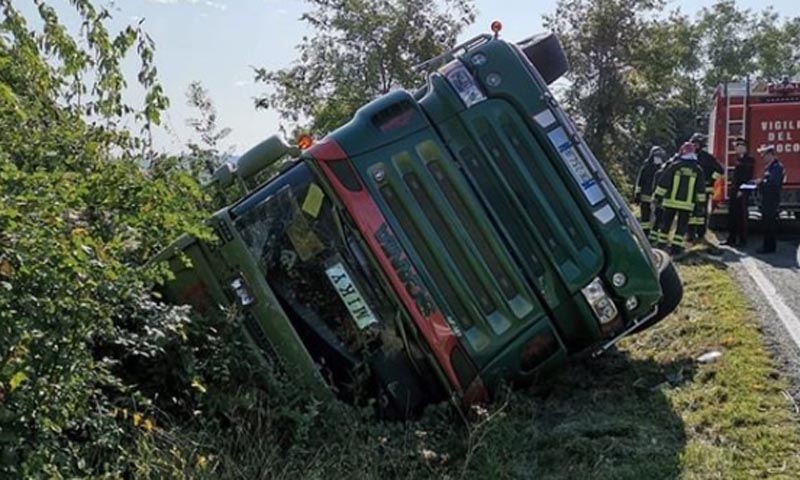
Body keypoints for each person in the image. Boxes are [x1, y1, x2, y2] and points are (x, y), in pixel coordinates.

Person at [653, 142, 706, 255]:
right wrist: (701, 205)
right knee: (681, 226)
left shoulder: (675, 166)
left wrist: (658, 196)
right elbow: (701, 189)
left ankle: (661, 245)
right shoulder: (698, 169)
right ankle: (676, 248)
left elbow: (664, 182)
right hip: (687, 205)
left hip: (670, 202)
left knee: (666, 224)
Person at [688, 133, 723, 243]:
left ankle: (701, 233)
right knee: (690, 212)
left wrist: (711, 180)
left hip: (704, 189)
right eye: (693, 143)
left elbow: (720, 170)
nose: (694, 146)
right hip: (690, 189)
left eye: (697, 144)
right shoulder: (688, 155)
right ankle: (690, 234)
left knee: (701, 213)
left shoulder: (707, 158)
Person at [723, 137, 755, 247]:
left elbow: (748, 177)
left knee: (741, 217)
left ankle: (742, 240)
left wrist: (742, 190)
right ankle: (731, 239)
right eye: (737, 147)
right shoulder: (738, 160)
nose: (737, 149)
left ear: (745, 148)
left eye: (740, 147)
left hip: (743, 191)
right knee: (732, 215)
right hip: (735, 190)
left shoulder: (749, 160)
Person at [756, 145, 785, 253]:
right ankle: (766, 245)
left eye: (764, 154)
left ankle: (769, 247)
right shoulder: (769, 167)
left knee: (770, 223)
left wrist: (761, 182)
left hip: (772, 198)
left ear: (770, 155)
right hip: (767, 197)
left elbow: (774, 183)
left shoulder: (777, 167)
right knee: (766, 223)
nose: (762, 157)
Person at [634, 146, 667, 236]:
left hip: (656, 197)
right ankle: (645, 234)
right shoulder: (646, 167)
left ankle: (653, 234)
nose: (657, 158)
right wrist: (637, 194)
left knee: (657, 217)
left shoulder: (663, 168)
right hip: (646, 196)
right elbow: (640, 181)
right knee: (645, 217)